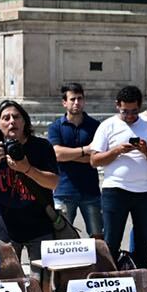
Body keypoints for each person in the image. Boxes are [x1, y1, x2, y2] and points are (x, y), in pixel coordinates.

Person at [0, 99, 60, 264]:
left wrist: (27, 169)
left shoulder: (41, 146)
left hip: (40, 227)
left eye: (16, 117)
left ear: (24, 121)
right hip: (6, 230)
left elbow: (53, 183)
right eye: (6, 118)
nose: (12, 121)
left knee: (41, 283)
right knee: (7, 283)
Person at [89, 85, 147, 263]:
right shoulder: (107, 125)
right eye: (125, 112)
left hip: (146, 192)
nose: (130, 116)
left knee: (144, 243)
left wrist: (146, 150)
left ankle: (142, 283)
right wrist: (116, 151)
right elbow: (94, 161)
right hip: (115, 190)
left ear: (140, 106)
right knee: (111, 242)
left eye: (134, 111)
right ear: (117, 105)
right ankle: (109, 283)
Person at [47, 83, 102, 238]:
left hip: (90, 190)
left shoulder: (95, 126)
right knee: (61, 237)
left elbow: (96, 157)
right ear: (64, 102)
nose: (77, 102)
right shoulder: (55, 127)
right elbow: (56, 154)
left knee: (97, 236)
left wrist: (68, 155)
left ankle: (97, 263)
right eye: (72, 99)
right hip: (64, 189)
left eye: (80, 99)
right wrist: (84, 150)